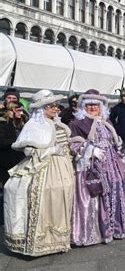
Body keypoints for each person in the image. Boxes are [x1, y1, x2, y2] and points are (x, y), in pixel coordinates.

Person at [4, 90, 75, 256]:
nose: (56, 109)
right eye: (52, 106)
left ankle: (57, 241)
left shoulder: (58, 124)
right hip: (41, 168)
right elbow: (28, 151)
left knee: (60, 198)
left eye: (56, 106)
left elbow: (65, 145)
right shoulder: (34, 125)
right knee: (41, 197)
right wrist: (50, 150)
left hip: (62, 168)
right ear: (42, 108)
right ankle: (38, 243)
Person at [69, 89, 125, 246]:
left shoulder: (106, 122)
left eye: (96, 105)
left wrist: (119, 151)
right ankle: (103, 230)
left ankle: (116, 227)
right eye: (89, 105)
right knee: (99, 192)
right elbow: (72, 144)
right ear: (83, 106)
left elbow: (115, 141)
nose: (93, 108)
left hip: (112, 162)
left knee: (116, 188)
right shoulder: (77, 123)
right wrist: (91, 150)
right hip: (92, 165)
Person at [0, 101, 27, 185]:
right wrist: (18, 140)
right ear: (11, 110)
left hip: (18, 160)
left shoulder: (19, 123)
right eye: (19, 110)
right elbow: (2, 142)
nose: (21, 113)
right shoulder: (3, 123)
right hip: (5, 161)